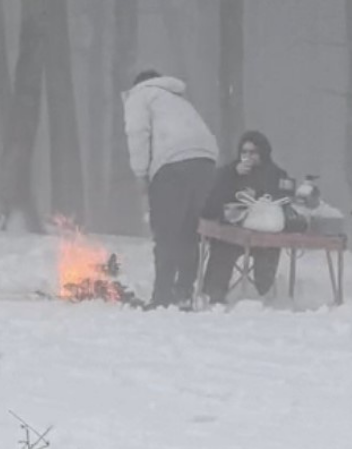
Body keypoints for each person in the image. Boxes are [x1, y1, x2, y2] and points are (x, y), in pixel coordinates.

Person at [123, 70, 218, 308]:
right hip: (206, 161)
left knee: (166, 231)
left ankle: (162, 297)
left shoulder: (140, 95)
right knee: (188, 231)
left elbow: (137, 134)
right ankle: (184, 291)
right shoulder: (178, 99)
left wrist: (140, 174)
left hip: (173, 164)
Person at [201, 130, 293, 304]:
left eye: (253, 152)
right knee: (222, 245)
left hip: (263, 230)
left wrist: (258, 195)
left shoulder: (276, 173)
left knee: (269, 249)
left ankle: (263, 294)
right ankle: (215, 294)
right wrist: (231, 175)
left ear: (262, 153)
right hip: (233, 227)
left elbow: (283, 198)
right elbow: (213, 197)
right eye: (244, 152)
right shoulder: (229, 171)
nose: (248, 157)